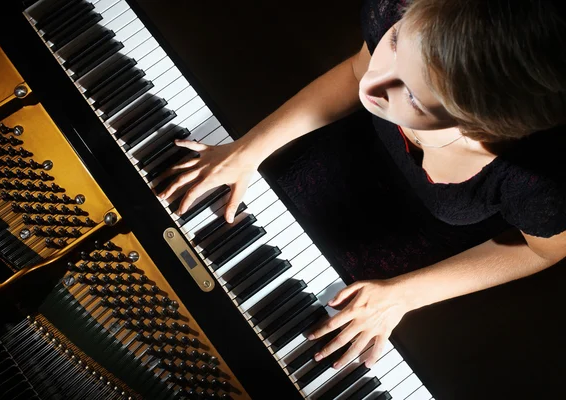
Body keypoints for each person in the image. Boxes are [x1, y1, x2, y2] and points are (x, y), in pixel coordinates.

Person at [159, 0, 566, 370]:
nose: (372, 85)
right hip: (340, 156)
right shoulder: (406, 8)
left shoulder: (539, 180)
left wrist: (404, 295)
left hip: (416, 244)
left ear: (482, 125)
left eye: (413, 97)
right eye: (394, 43)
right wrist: (250, 148)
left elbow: (542, 252)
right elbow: (357, 70)